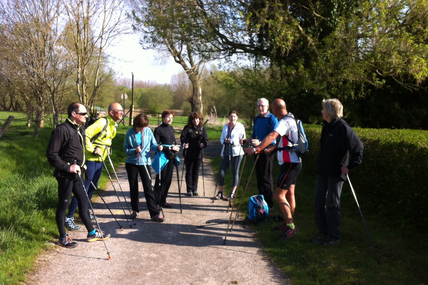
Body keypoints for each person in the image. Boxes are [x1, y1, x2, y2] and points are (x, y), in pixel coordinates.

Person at [46, 103, 110, 248]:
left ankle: (92, 232)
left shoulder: (79, 128)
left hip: (78, 173)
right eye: (84, 113)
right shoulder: (61, 130)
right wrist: (68, 167)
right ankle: (63, 237)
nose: (87, 116)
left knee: (84, 202)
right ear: (74, 114)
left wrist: (82, 164)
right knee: (63, 205)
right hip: (65, 175)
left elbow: (77, 150)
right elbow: (51, 154)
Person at [245, 99, 302, 239]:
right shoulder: (292, 118)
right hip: (294, 162)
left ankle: (291, 226)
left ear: (275, 110)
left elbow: (272, 136)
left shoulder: (284, 122)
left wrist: (257, 149)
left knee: (278, 195)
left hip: (290, 163)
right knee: (290, 194)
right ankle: (288, 223)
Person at [312, 99, 363, 246]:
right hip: (323, 171)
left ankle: (334, 236)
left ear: (329, 111)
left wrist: (349, 166)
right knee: (319, 202)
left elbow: (358, 149)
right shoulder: (326, 126)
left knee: (333, 204)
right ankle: (323, 232)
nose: (321, 112)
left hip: (336, 173)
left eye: (323, 109)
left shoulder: (343, 127)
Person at [64, 102, 123, 230]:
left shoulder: (113, 125)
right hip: (91, 159)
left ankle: (84, 211)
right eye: (120, 111)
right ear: (112, 113)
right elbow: (85, 134)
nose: (122, 113)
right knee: (83, 189)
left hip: (100, 160)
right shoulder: (102, 123)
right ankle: (69, 217)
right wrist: (92, 149)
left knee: (92, 187)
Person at [123, 114, 164, 222]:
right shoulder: (129, 133)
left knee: (148, 187)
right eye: (141, 126)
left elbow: (153, 144)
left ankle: (154, 213)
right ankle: (134, 210)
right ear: (136, 124)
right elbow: (125, 149)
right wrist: (134, 151)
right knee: (133, 186)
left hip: (145, 162)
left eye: (144, 126)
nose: (143, 128)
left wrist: (158, 147)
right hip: (131, 163)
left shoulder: (148, 131)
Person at [247, 98, 278, 209]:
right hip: (257, 150)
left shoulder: (272, 119)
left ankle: (269, 203)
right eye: (258, 106)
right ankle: (261, 200)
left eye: (262, 106)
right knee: (259, 176)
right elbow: (254, 134)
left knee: (266, 176)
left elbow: (273, 138)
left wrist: (260, 143)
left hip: (267, 150)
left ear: (268, 107)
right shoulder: (257, 118)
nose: (260, 108)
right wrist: (247, 140)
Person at [214, 110, 246, 200]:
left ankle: (232, 193)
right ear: (228, 117)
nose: (232, 118)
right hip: (226, 151)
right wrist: (224, 141)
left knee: (235, 172)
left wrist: (231, 141)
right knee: (221, 172)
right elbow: (221, 138)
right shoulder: (225, 126)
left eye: (234, 116)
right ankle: (220, 192)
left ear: (237, 117)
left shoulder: (240, 126)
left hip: (237, 152)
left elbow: (242, 139)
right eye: (231, 116)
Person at [154, 110, 180, 208]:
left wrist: (176, 147)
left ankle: (163, 200)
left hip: (171, 157)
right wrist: (169, 148)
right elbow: (157, 144)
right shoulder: (158, 129)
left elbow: (173, 141)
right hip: (162, 157)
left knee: (168, 180)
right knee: (160, 179)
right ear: (163, 117)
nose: (170, 119)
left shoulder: (171, 128)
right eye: (168, 117)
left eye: (172, 118)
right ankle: (156, 200)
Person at [180, 112, 209, 196]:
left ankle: (194, 189)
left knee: (195, 172)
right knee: (189, 171)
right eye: (193, 119)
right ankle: (189, 190)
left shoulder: (202, 129)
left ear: (199, 119)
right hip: (188, 154)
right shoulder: (187, 128)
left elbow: (206, 140)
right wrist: (184, 144)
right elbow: (182, 138)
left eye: (197, 119)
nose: (195, 121)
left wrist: (203, 144)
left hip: (198, 154)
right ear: (191, 120)